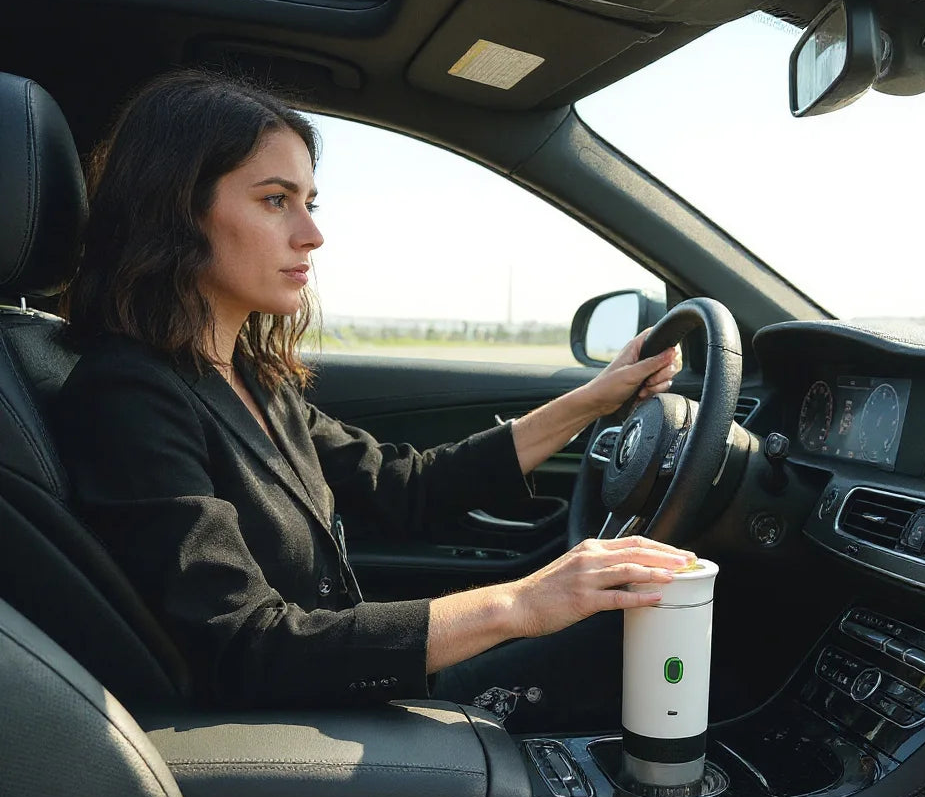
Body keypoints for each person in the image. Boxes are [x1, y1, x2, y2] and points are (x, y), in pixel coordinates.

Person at [55, 70, 693, 727]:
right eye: (276, 200)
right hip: (295, 725)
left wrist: (593, 399)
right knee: (622, 635)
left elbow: (403, 486)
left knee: (623, 621)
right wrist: (519, 605)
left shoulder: (245, 375)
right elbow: (247, 649)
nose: (311, 234)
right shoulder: (127, 397)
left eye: (310, 202)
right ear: (176, 209)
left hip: (334, 688)